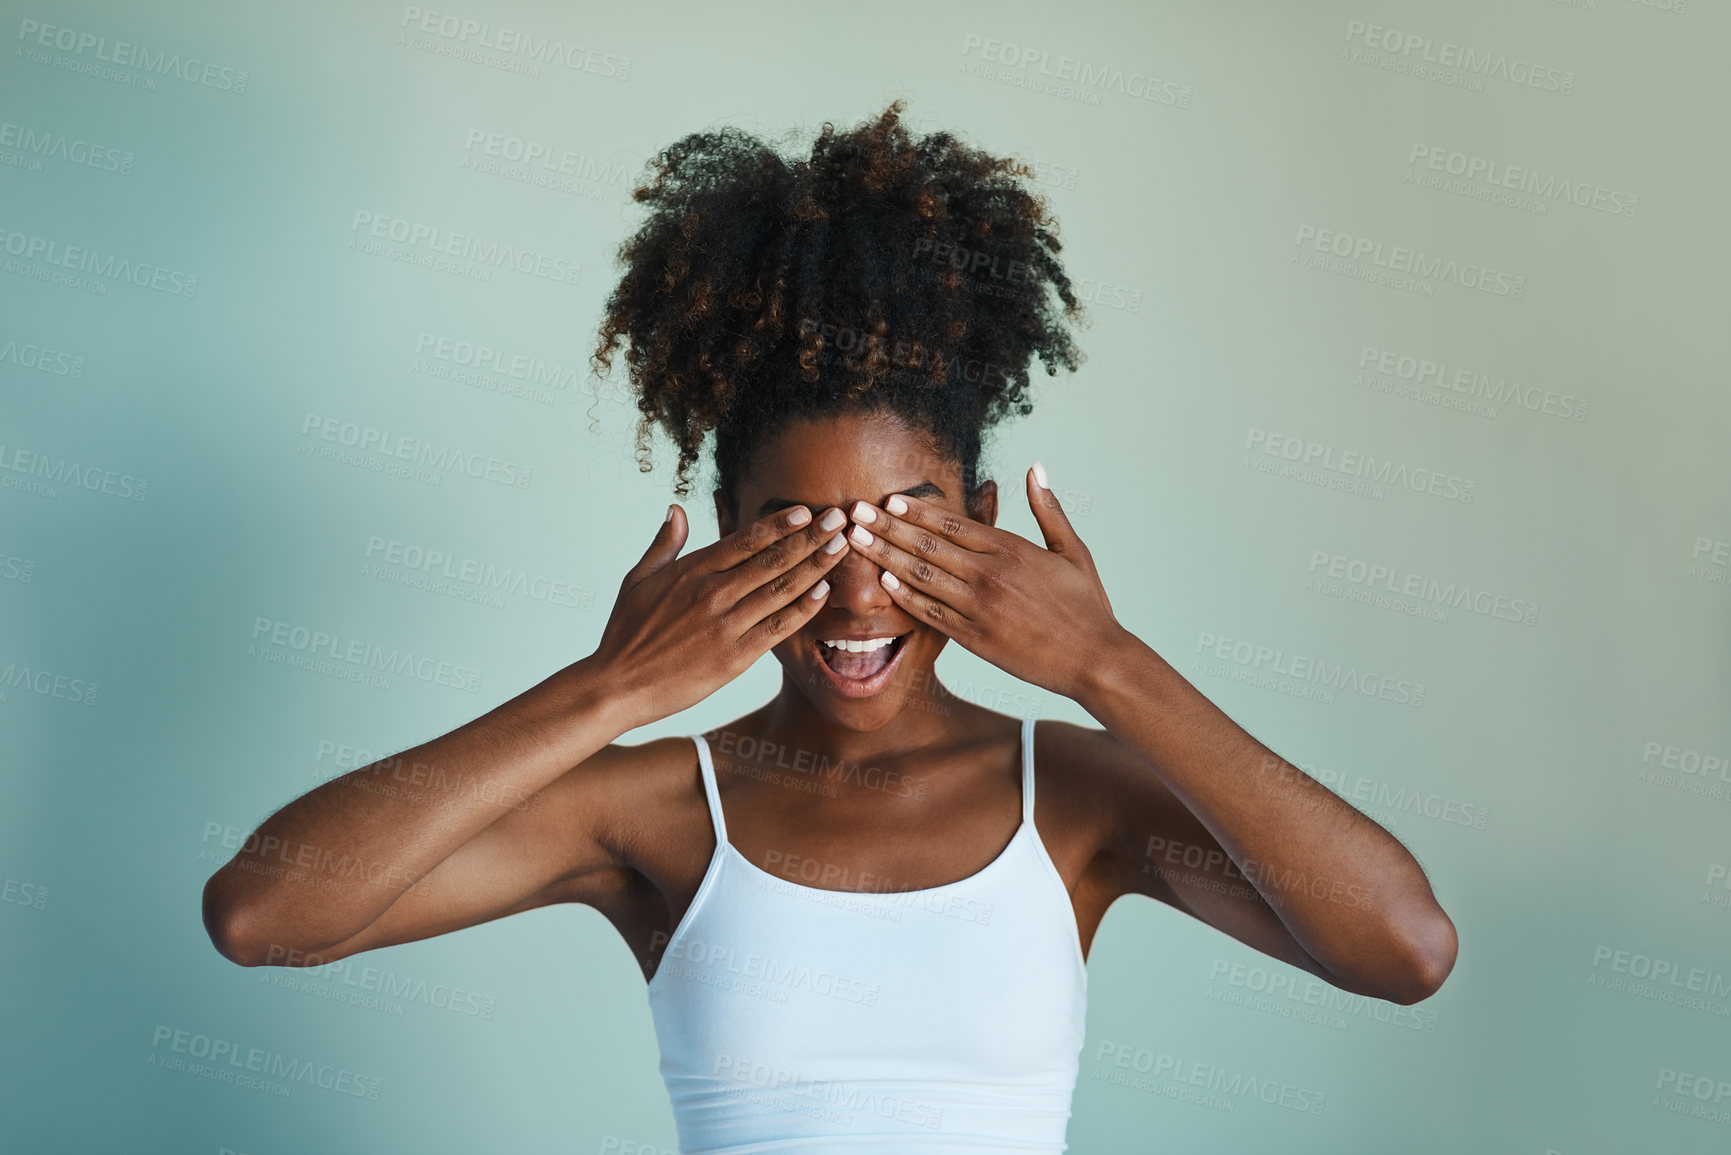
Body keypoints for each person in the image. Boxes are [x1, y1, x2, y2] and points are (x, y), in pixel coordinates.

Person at [203, 100, 1456, 1153]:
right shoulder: (654, 810)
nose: (857, 595)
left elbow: (1403, 948)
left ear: (978, 522)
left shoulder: (1073, 798)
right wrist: (608, 690)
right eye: (799, 532)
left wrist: (1103, 665)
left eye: (901, 531)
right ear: (729, 534)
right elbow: (264, 916)